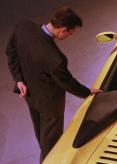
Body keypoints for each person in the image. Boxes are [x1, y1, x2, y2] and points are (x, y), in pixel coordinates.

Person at [5, 7, 101, 162]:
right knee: (51, 144)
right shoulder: (55, 58)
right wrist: (89, 92)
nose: (70, 35)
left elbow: (11, 52)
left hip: (30, 96)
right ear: (62, 30)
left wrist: (19, 80)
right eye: (71, 32)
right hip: (50, 105)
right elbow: (68, 83)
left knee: (41, 136)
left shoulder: (23, 26)